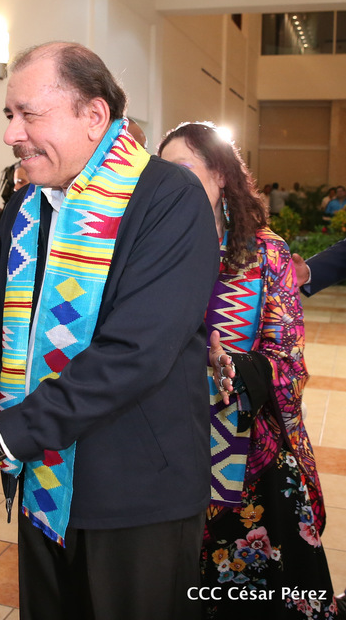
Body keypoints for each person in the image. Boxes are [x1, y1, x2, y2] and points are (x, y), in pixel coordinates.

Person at [0, 41, 219, 619]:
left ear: (94, 114)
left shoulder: (169, 200)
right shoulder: (27, 208)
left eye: (29, 114)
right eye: (9, 114)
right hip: (42, 484)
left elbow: (132, 356)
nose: (11, 134)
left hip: (134, 495)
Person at [159, 121, 337, 619]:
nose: (171, 183)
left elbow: (288, 358)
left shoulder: (264, 251)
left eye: (183, 169)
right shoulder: (153, 246)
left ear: (220, 174)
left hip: (248, 447)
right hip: (167, 443)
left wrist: (233, 366)